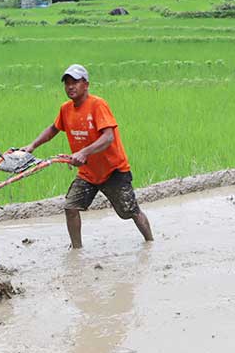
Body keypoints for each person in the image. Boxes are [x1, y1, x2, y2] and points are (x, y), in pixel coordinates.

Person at [21, 64, 153, 249]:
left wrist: (83, 152)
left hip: (112, 170)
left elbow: (108, 137)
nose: (70, 87)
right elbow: (53, 129)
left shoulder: (98, 105)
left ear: (86, 84)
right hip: (88, 173)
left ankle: (150, 243)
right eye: (67, 83)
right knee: (71, 207)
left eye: (75, 82)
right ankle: (77, 250)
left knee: (129, 211)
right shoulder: (65, 109)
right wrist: (32, 146)